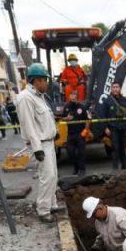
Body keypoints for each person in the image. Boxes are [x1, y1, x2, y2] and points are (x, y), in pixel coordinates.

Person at [16, 63, 59, 223]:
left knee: (53, 175)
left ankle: (52, 204)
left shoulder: (39, 97)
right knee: (46, 177)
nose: (46, 83)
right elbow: (29, 125)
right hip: (40, 144)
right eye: (44, 80)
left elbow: (44, 119)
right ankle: (43, 210)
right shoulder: (25, 98)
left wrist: (54, 131)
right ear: (35, 80)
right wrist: (37, 148)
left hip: (48, 141)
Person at [97, 81, 126, 170]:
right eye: (114, 87)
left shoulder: (125, 100)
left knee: (123, 148)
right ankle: (115, 168)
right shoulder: (107, 101)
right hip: (113, 128)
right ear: (111, 89)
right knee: (115, 148)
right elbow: (102, 116)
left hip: (123, 128)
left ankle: (124, 166)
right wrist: (105, 128)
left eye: (117, 87)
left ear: (120, 89)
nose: (116, 89)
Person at [62, 91, 88, 176]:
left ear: (77, 97)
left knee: (81, 153)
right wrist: (67, 119)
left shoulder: (82, 107)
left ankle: (82, 169)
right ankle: (76, 166)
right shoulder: (66, 107)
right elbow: (62, 118)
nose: (72, 98)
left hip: (80, 134)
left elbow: (88, 119)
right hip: (70, 134)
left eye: (74, 97)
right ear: (69, 97)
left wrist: (86, 130)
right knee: (70, 152)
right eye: (71, 96)